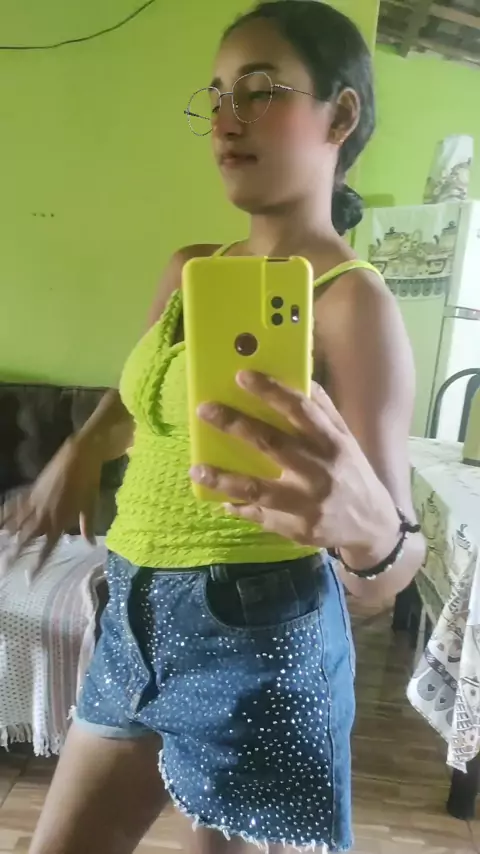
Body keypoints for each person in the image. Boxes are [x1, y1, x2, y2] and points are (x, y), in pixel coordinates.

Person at [2, 2, 425, 853]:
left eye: (261, 91)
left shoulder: (352, 303)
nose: (226, 121)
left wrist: (370, 533)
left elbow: (392, 569)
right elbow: (137, 398)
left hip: (259, 640)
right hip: (131, 617)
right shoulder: (192, 269)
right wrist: (80, 450)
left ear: (340, 115)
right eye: (217, 96)